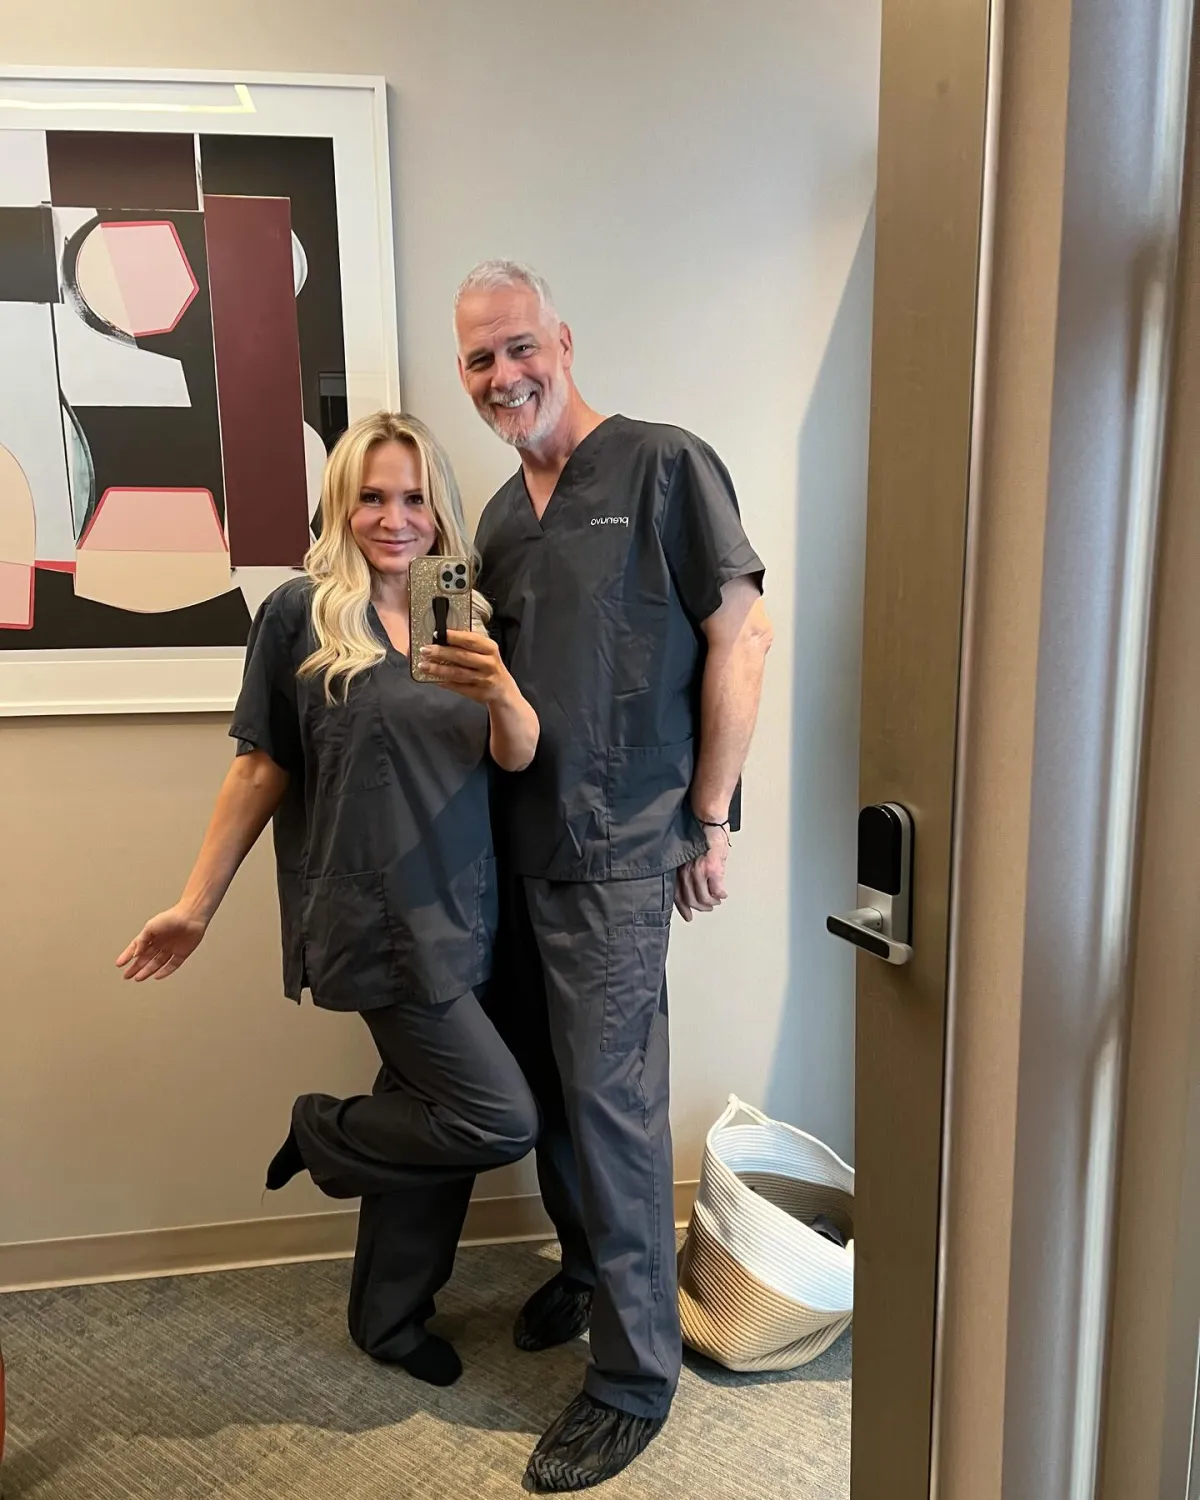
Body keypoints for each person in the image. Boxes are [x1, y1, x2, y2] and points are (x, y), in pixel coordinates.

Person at [116, 411, 541, 1390]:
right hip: (376, 917)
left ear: (439, 508)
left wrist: (502, 690)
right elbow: (259, 768)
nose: (395, 519)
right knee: (495, 1116)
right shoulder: (301, 613)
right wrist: (194, 905)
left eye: (414, 498)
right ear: (342, 505)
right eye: (372, 497)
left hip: (470, 908)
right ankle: (323, 1132)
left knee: (429, 1107)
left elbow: (514, 754)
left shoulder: (459, 609)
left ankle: (388, 1316)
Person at [444, 260, 772, 1491]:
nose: (502, 375)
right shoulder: (494, 520)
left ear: (564, 341)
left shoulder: (662, 465)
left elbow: (742, 633)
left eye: (518, 347)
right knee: (549, 1092)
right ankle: (589, 1272)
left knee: (617, 1109)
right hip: (516, 853)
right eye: (479, 358)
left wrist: (710, 816)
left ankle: (635, 1381)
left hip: (623, 853)